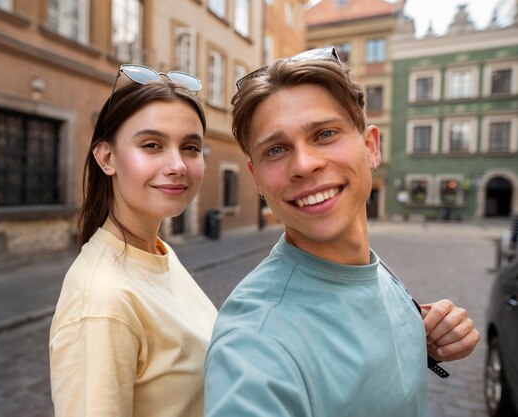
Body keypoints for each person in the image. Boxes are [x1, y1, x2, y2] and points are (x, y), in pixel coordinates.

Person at [204, 47, 480, 417]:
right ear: (256, 179)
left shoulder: (373, 270)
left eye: (324, 134)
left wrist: (422, 336)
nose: (304, 164)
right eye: (276, 149)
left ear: (371, 147)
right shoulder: (255, 342)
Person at [49, 64, 217, 417]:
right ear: (107, 157)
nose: (178, 165)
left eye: (190, 147)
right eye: (152, 145)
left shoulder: (157, 252)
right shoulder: (102, 301)